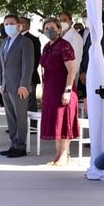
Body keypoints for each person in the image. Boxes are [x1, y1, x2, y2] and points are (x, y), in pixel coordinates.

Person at [39, 17, 79, 166]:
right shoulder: (46, 46)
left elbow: (72, 70)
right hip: (50, 90)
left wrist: (67, 91)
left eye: (53, 28)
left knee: (64, 121)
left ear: (59, 29)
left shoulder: (65, 46)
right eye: (47, 28)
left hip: (63, 89)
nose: (50, 30)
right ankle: (57, 154)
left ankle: (64, 155)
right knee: (57, 123)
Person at [0, 14, 34, 158]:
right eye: (6, 24)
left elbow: (28, 65)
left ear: (19, 25)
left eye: (11, 23)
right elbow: (1, 65)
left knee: (20, 116)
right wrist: (0, 82)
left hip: (19, 87)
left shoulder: (25, 42)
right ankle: (13, 143)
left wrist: (24, 85)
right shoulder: (4, 42)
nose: (8, 26)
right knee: (10, 117)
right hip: (6, 86)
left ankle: (20, 145)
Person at [79, 10, 104, 85]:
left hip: (100, 78)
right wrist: (83, 71)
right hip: (89, 77)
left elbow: (102, 58)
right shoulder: (92, 33)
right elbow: (85, 54)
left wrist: (88, 73)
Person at [18, 16, 42, 113]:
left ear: (27, 25)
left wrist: (27, 73)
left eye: (21, 22)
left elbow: (36, 58)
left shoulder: (33, 39)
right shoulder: (14, 39)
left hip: (30, 77)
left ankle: (32, 126)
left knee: (30, 103)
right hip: (16, 77)